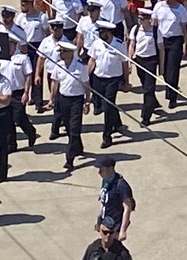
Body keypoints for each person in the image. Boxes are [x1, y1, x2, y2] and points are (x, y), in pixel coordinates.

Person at [50, 38, 92, 169]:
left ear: (69, 52)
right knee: (69, 128)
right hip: (63, 99)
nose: (60, 53)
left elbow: (86, 85)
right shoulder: (59, 65)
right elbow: (55, 82)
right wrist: (52, 99)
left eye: (62, 51)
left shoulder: (81, 66)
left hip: (76, 100)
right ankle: (78, 147)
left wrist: (87, 101)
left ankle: (69, 158)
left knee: (74, 128)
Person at [88, 20, 129, 149]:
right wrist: (86, 76)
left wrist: (126, 81)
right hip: (98, 78)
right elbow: (92, 60)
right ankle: (117, 124)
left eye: (103, 32)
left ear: (109, 32)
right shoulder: (97, 44)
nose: (101, 34)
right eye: (99, 31)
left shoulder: (118, 45)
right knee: (105, 104)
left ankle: (107, 136)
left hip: (113, 79)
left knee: (108, 106)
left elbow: (124, 63)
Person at [153, 0, 187, 109]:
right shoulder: (158, 7)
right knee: (163, 69)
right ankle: (170, 87)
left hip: (175, 40)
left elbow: (184, 29)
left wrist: (186, 45)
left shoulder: (180, 10)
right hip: (161, 40)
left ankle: (172, 97)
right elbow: (154, 23)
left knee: (173, 69)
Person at [127, 8, 160, 127]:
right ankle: (153, 103)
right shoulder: (135, 30)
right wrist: (130, 62)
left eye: (142, 19)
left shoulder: (156, 32)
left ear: (149, 20)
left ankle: (146, 116)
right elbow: (132, 45)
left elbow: (161, 50)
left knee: (148, 90)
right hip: (139, 60)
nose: (140, 21)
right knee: (145, 85)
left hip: (151, 61)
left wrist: (161, 66)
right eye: (139, 18)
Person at [95, 157, 134, 243]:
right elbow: (104, 202)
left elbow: (127, 208)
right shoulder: (105, 181)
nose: (99, 173)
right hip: (105, 222)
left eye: (102, 170)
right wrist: (99, 221)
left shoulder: (121, 185)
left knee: (113, 247)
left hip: (115, 225)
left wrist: (123, 231)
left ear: (110, 169)